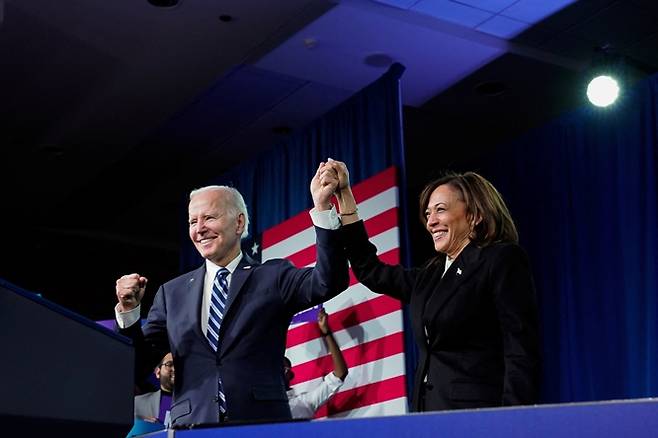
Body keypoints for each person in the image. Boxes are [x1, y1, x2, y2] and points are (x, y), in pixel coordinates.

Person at [114, 163, 349, 426]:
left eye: (209, 218)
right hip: (192, 426)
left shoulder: (273, 276)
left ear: (239, 223)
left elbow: (328, 282)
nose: (199, 228)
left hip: (261, 424)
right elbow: (135, 365)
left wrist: (321, 210)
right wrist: (129, 313)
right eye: (193, 221)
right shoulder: (172, 293)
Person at [324, 160, 540, 412]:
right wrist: (345, 198)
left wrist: (514, 418)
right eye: (428, 214)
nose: (431, 222)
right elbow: (371, 271)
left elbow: (521, 349)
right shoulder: (430, 276)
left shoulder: (500, 260)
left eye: (440, 210)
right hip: (428, 415)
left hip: (478, 416)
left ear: (475, 215)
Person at [286, 308, 348, 419]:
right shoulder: (257, 406)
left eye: (285, 367)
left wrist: (326, 332)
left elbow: (340, 373)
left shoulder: (304, 403)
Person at [134, 352, 175, 426]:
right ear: (157, 372)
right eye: (169, 364)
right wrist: (141, 426)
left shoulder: (197, 404)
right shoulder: (137, 403)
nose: (175, 369)